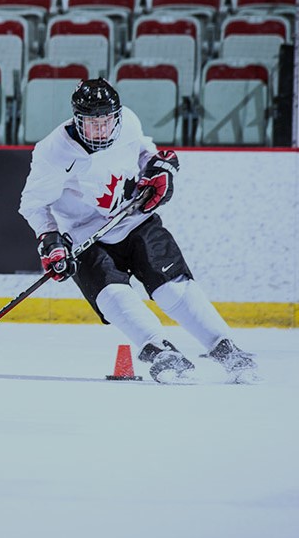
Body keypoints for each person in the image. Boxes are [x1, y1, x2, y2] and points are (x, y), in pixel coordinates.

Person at [18, 78, 258, 384]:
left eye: (107, 121)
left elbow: (145, 152)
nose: (101, 130)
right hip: (84, 237)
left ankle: (225, 347)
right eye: (92, 123)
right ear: (77, 121)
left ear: (117, 116)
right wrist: (50, 240)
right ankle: (160, 351)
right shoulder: (53, 152)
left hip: (135, 218)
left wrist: (159, 169)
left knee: (173, 287)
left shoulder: (128, 121)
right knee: (113, 294)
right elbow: (33, 204)